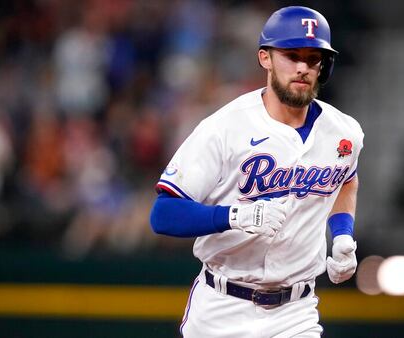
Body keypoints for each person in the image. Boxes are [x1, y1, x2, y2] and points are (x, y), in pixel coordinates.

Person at [150, 6, 364, 337]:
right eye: (291, 55)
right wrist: (234, 216)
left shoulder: (344, 133)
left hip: (295, 311)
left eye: (313, 58)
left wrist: (343, 235)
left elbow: (346, 181)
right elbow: (163, 214)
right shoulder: (224, 127)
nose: (302, 67)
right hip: (222, 306)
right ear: (265, 58)